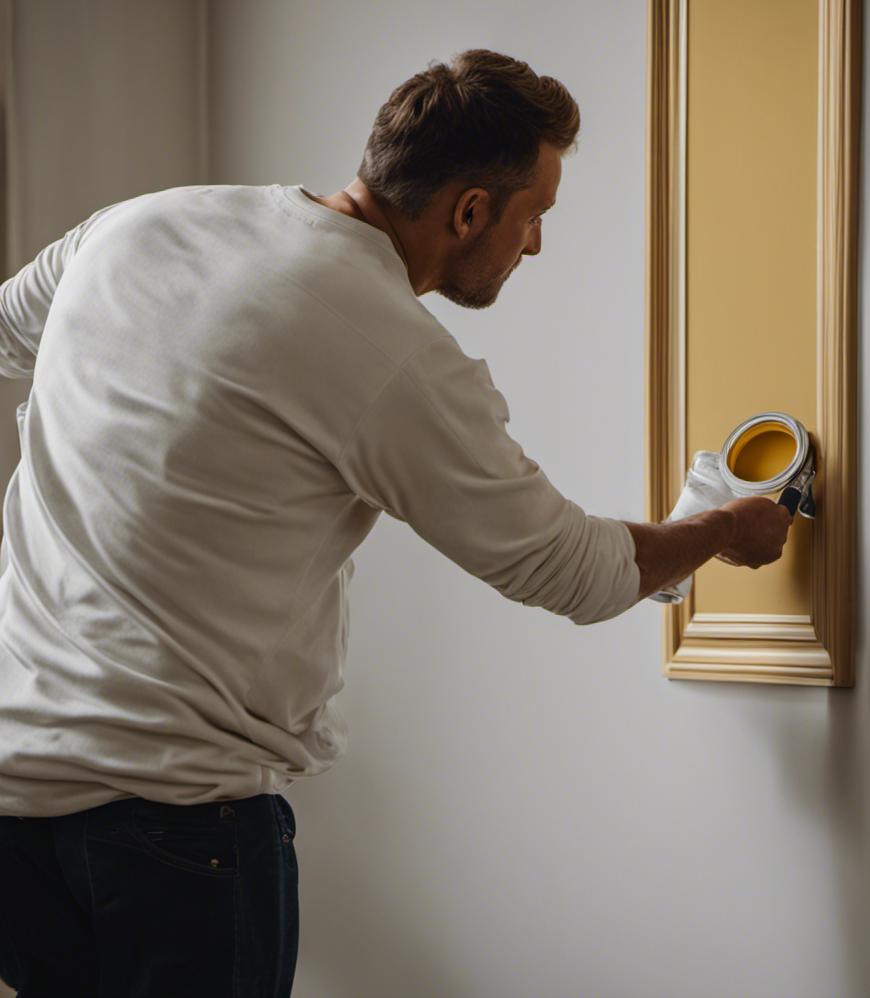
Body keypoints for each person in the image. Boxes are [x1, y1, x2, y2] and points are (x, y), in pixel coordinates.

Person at [0, 49, 791, 997]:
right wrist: (721, 530)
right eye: (534, 214)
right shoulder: (389, 350)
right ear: (469, 211)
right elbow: (570, 571)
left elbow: (11, 329)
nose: (535, 244)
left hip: (17, 808)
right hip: (179, 831)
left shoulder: (137, 227)